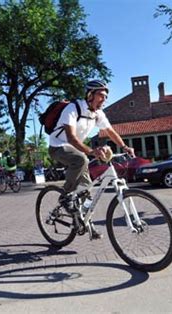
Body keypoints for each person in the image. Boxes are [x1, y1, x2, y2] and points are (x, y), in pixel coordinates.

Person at [48, 80, 135, 239]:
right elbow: (71, 138)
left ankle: (88, 225)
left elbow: (110, 131)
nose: (104, 99)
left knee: (86, 191)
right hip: (58, 147)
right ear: (90, 95)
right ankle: (65, 195)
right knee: (82, 160)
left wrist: (124, 147)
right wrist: (91, 151)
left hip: (76, 150)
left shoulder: (98, 114)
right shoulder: (73, 108)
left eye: (106, 96)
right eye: (101, 95)